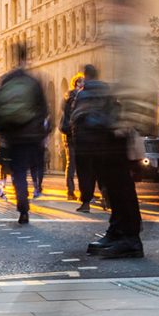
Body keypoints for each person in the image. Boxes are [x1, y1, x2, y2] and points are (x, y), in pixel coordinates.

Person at [77, 64, 144, 258]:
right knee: (114, 185)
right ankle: (118, 231)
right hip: (112, 133)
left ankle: (129, 238)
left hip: (118, 132)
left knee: (121, 185)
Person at [0, 44, 51, 224]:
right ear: (28, 57)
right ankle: (35, 191)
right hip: (31, 135)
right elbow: (44, 109)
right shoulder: (34, 81)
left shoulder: (6, 80)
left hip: (13, 135)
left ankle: (23, 207)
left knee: (18, 173)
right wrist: (42, 132)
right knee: (33, 168)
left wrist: (0, 131)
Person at [72, 73, 104, 213]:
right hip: (101, 139)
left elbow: (75, 116)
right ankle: (106, 197)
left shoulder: (81, 95)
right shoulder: (104, 92)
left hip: (84, 140)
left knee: (85, 172)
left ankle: (86, 202)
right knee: (101, 170)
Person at [60, 73, 84, 201]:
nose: (83, 85)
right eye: (82, 83)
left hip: (69, 133)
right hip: (75, 133)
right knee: (76, 164)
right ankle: (77, 191)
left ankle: (71, 191)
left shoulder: (67, 97)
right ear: (77, 84)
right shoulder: (76, 97)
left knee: (72, 163)